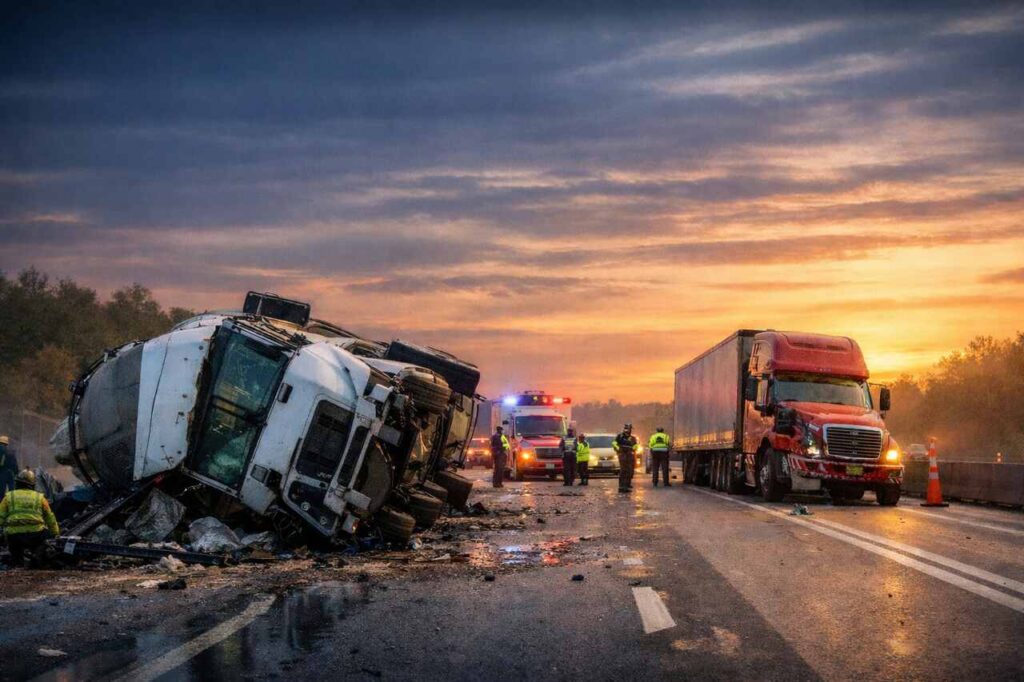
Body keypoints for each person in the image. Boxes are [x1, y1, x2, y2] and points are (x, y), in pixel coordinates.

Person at [0, 469, 60, 568]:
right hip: (35, 534)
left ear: (17, 483)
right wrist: (56, 534)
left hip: (15, 536)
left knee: (13, 545)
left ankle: (17, 563)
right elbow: (50, 517)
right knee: (44, 540)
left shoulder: (8, 497)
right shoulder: (40, 498)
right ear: (32, 485)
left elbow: (0, 516)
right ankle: (37, 557)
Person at [613, 423, 638, 493]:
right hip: (622, 455)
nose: (628, 431)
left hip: (629, 455)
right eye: (627, 429)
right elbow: (614, 443)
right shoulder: (620, 436)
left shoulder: (633, 438)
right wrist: (618, 449)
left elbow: (636, 445)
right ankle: (621, 487)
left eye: (629, 429)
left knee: (629, 470)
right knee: (623, 470)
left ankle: (626, 486)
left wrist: (633, 449)